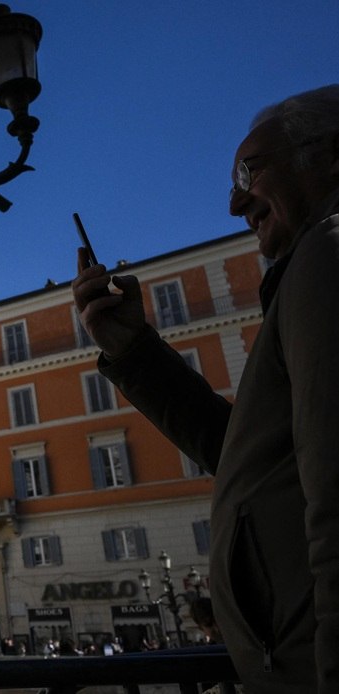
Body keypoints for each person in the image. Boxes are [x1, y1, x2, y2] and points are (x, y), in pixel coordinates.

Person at [72, 85, 339, 692]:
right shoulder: (309, 268)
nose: (234, 202)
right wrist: (134, 352)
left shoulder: (328, 251)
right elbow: (242, 455)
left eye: (251, 170)